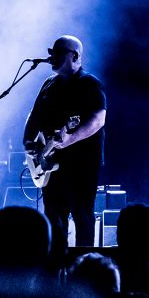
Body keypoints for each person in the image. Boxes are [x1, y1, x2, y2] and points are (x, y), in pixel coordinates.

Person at [22, 35, 106, 264]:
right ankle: (54, 269)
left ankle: (84, 269)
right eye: (51, 52)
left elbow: (98, 119)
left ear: (75, 56)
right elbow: (33, 115)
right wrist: (28, 141)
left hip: (81, 164)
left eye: (58, 52)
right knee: (53, 219)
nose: (52, 57)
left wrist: (71, 138)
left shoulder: (89, 84)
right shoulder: (49, 84)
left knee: (82, 216)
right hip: (50, 164)